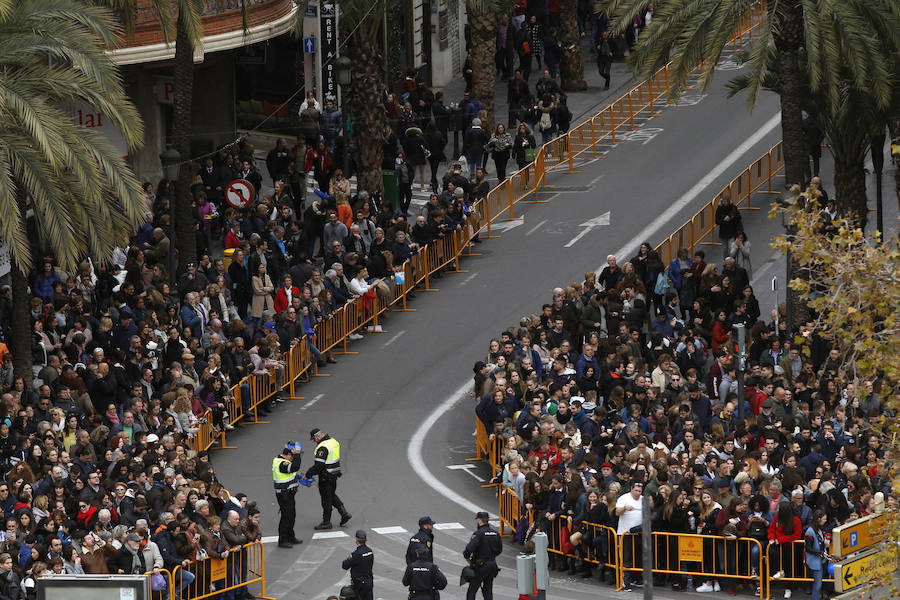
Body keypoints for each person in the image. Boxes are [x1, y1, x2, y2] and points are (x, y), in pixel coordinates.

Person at [306, 428, 352, 530]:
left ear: (317, 436)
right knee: (331, 495)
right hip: (334, 474)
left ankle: (326, 522)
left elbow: (319, 466)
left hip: (325, 476)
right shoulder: (333, 441)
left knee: (326, 499)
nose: (314, 441)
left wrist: (308, 474)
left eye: (314, 439)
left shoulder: (322, 447)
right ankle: (344, 513)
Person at [462, 511, 502, 600]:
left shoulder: (478, 534)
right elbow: (499, 550)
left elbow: (468, 550)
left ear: (480, 521)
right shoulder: (496, 533)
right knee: (487, 590)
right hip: (492, 564)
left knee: (472, 590)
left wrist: (469, 559)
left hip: (481, 565)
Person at [272, 441, 304, 548]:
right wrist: (298, 454)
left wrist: (299, 477)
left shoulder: (285, 461)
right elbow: (294, 467)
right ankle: (283, 540)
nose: (293, 459)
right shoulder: (282, 463)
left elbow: (291, 473)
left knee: (292, 515)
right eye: (293, 456)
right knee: (286, 517)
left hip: (289, 494)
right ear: (288, 455)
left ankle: (290, 537)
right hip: (284, 494)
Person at [804, 509, 830, 600]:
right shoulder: (810, 532)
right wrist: (821, 553)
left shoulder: (819, 529)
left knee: (818, 583)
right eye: (824, 519)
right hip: (815, 561)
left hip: (820, 559)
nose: (825, 521)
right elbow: (808, 548)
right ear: (818, 519)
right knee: (817, 584)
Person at [341, 530, 374, 600]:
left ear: (356, 540)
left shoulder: (356, 554)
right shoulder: (370, 551)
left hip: (360, 584)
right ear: (366, 540)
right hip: (369, 581)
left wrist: (349, 558)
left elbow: (345, 566)